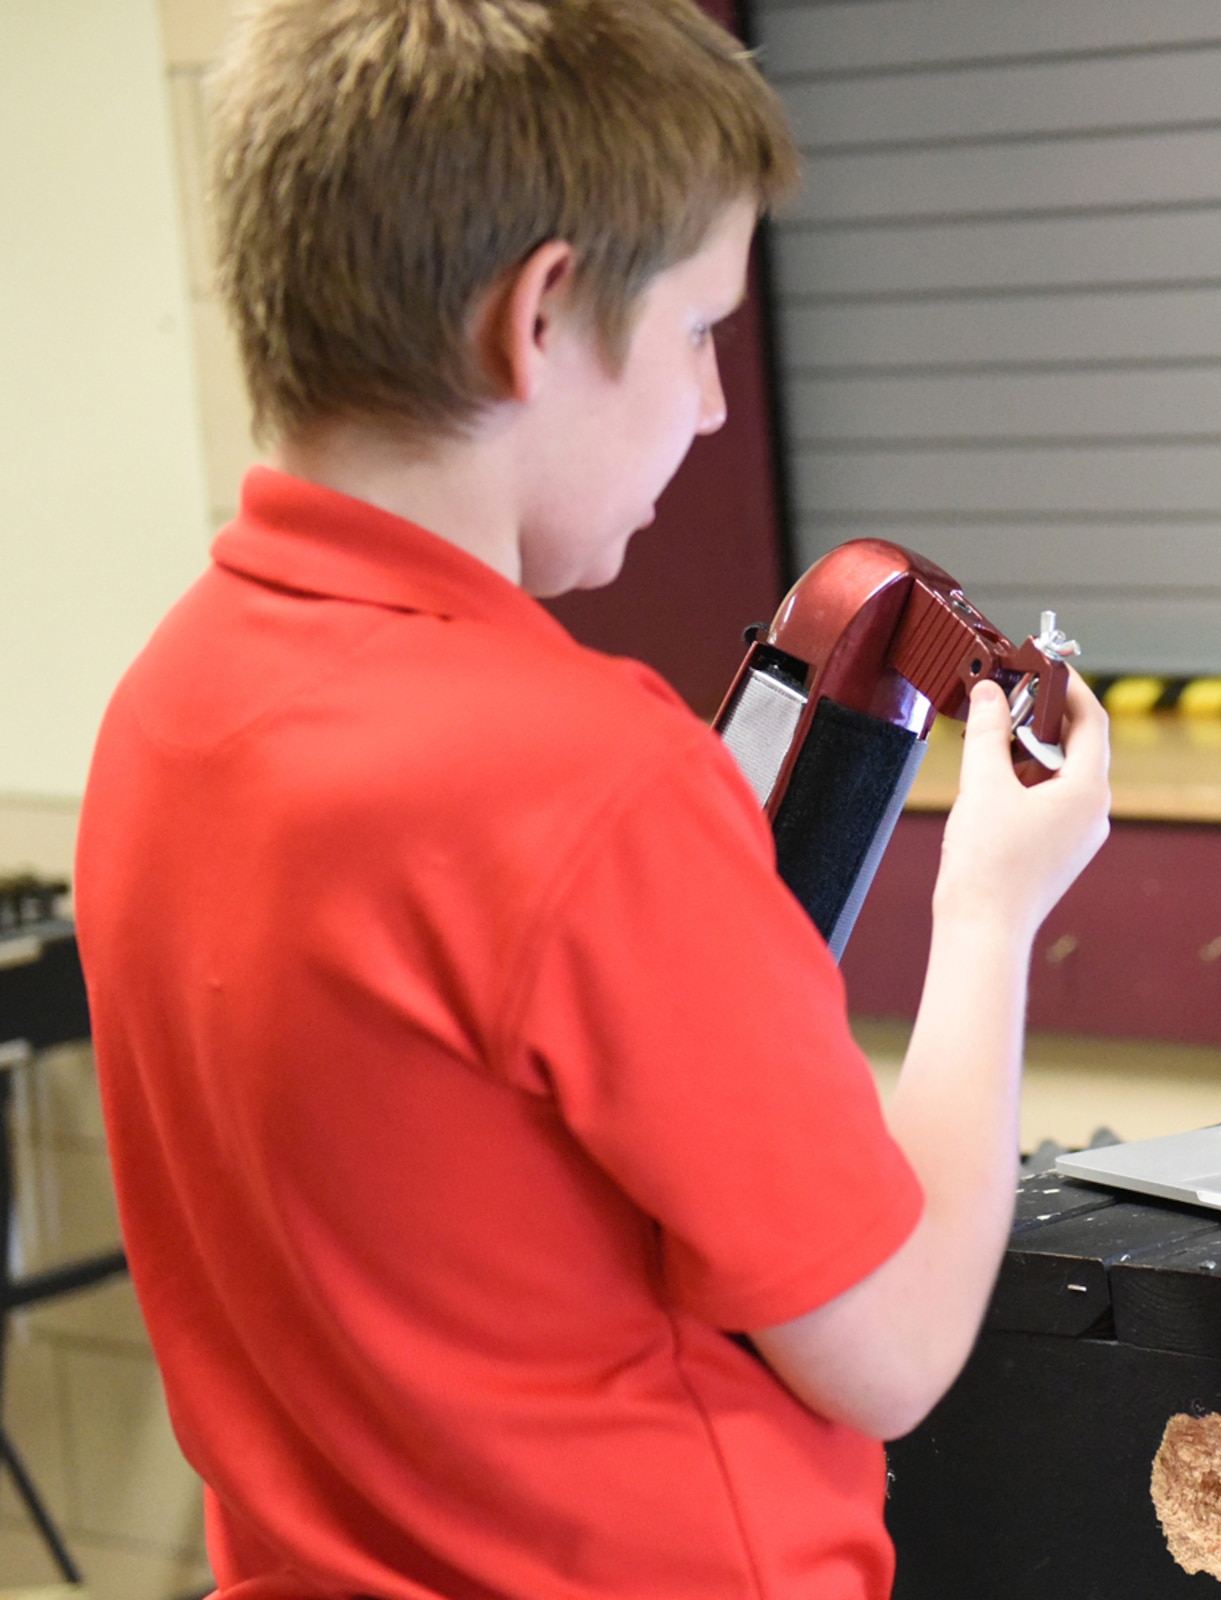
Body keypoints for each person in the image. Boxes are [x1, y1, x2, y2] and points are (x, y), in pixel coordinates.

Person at [71, 4, 1110, 1597]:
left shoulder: (171, 707)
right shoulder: (580, 776)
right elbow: (890, 1346)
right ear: (541, 317)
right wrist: (991, 907)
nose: (708, 405)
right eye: (700, 329)